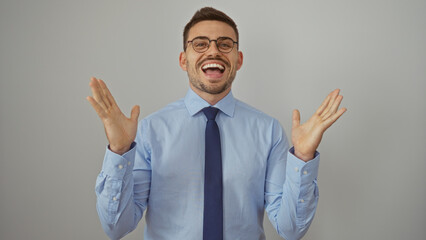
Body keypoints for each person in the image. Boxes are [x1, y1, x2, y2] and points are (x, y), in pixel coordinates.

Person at [87, 7, 346, 240]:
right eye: (200, 44)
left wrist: (302, 156)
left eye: (225, 44)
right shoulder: (150, 130)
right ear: (183, 59)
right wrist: (119, 152)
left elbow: (291, 230)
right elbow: (116, 228)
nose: (213, 51)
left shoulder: (268, 131)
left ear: (238, 59)